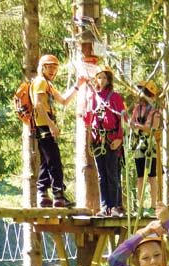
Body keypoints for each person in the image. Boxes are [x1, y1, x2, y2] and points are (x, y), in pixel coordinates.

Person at [32, 54, 86, 208]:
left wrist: (77, 86)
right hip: (44, 125)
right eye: (49, 67)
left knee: (46, 162)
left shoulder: (47, 84)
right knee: (55, 162)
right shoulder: (41, 82)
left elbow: (63, 100)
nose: (52, 71)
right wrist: (51, 125)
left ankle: (43, 194)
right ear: (43, 68)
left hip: (44, 126)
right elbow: (38, 105)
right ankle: (58, 195)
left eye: (55, 68)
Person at [84, 66, 126, 217]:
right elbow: (88, 120)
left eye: (104, 77)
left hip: (111, 140)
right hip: (97, 140)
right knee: (102, 176)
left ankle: (114, 206)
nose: (101, 80)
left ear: (108, 80)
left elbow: (122, 119)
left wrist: (119, 139)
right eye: (99, 77)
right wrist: (89, 140)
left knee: (112, 175)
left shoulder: (115, 98)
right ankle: (104, 207)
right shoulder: (93, 97)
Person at [130, 81, 162, 217]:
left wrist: (138, 125)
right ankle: (140, 205)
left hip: (150, 146)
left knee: (152, 176)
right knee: (140, 176)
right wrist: (134, 125)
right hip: (139, 144)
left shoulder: (155, 110)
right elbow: (132, 123)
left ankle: (153, 205)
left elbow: (153, 129)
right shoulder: (137, 108)